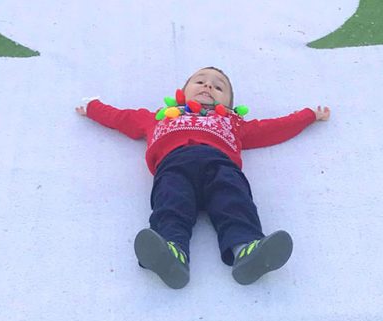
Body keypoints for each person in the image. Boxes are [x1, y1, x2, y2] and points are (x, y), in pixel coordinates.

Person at [77, 67, 330, 288]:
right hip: (173, 166)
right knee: (171, 202)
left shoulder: (232, 122)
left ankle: (247, 249)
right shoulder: (157, 116)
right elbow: (121, 118)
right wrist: (93, 108)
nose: (208, 85)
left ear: (229, 103)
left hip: (220, 165)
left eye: (219, 86)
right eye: (200, 81)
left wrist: (308, 116)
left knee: (233, 200)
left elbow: (271, 129)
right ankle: (171, 251)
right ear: (183, 91)